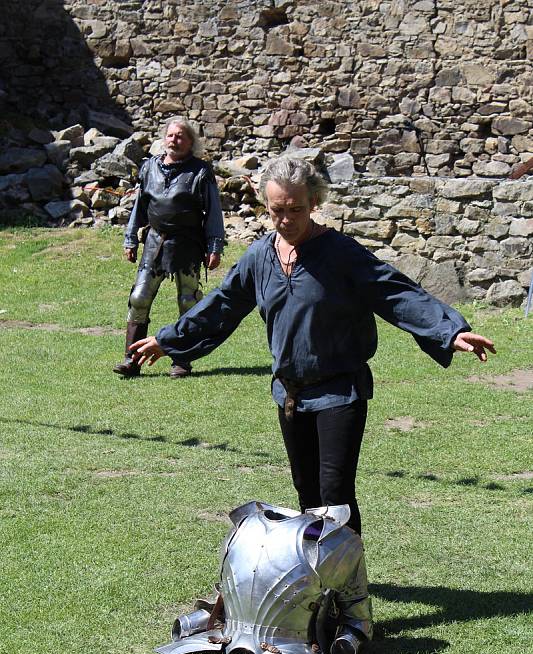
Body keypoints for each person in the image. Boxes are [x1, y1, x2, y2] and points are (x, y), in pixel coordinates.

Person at [128, 156, 495, 532]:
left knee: (335, 498)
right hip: (289, 393)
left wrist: (449, 331)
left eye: (295, 209)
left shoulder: (340, 253)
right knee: (307, 496)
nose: (286, 220)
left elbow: (395, 292)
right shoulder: (260, 257)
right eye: (277, 210)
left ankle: (349, 586)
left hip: (340, 390)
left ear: (314, 203)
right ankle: (319, 581)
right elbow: (221, 306)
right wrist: (170, 340)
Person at [113, 116, 225, 378]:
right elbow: (140, 206)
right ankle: (132, 359)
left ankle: (182, 361)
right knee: (139, 298)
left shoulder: (200, 171)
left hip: (187, 245)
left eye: (181, 136)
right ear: (165, 138)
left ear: (190, 142)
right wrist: (130, 238)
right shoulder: (149, 167)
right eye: (171, 135)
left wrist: (215, 246)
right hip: (154, 242)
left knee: (188, 302)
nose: (175, 140)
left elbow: (214, 213)